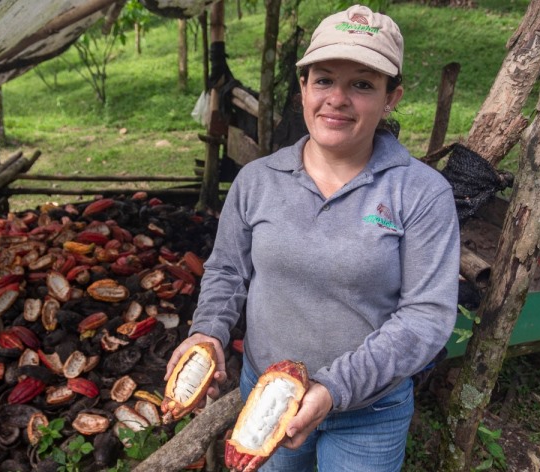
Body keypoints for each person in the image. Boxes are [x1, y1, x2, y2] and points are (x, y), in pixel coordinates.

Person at [165, 4, 460, 471]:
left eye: (362, 83)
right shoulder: (257, 180)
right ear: (303, 87)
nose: (337, 98)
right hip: (267, 397)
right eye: (323, 79)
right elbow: (227, 270)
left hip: (369, 412)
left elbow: (427, 316)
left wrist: (334, 388)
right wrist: (210, 330)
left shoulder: (420, 193)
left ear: (391, 98)